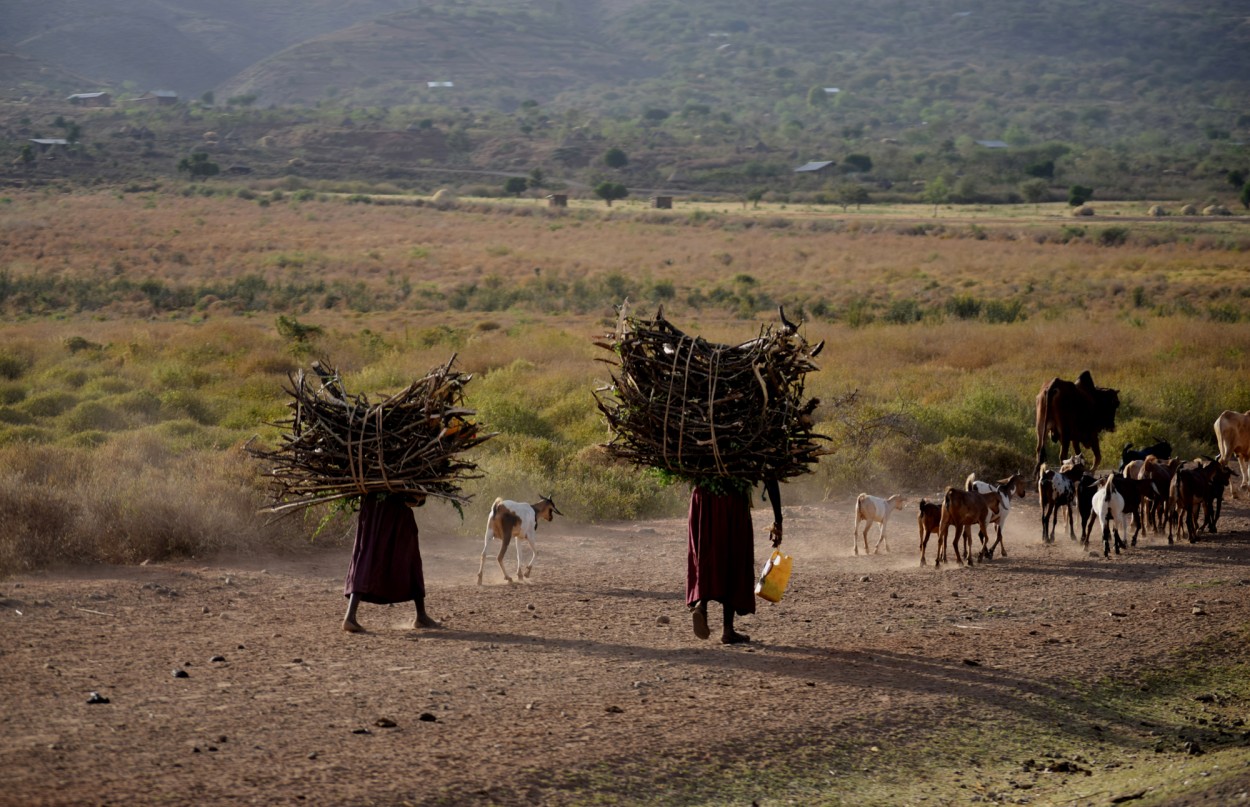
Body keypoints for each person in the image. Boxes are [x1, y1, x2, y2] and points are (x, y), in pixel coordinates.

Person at [687, 478, 782, 644]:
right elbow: (770, 475)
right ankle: (728, 629)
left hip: (701, 498)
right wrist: (778, 519)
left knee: (706, 553)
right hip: (731, 500)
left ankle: (702, 604)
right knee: (733, 556)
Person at [342, 491, 440, 633]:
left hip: (371, 509)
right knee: (409, 558)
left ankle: (350, 616)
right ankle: (421, 615)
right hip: (394, 510)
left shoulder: (366, 476)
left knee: (366, 556)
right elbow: (412, 494)